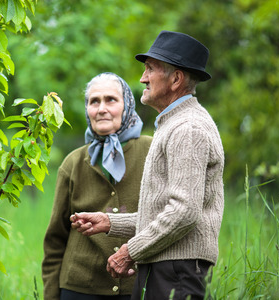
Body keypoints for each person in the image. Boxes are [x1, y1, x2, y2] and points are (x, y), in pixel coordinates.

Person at [70, 31, 225, 300]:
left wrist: (129, 251)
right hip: (169, 265)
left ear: (175, 79)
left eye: (150, 69)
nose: (142, 78)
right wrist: (110, 222)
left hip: (178, 269)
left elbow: (183, 212)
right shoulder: (174, 124)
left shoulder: (187, 128)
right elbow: (165, 212)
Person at [42, 72, 153, 300]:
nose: (101, 108)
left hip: (138, 284)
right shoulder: (73, 163)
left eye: (111, 99)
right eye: (94, 101)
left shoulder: (152, 150)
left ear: (127, 106)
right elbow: (55, 239)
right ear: (87, 110)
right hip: (79, 288)